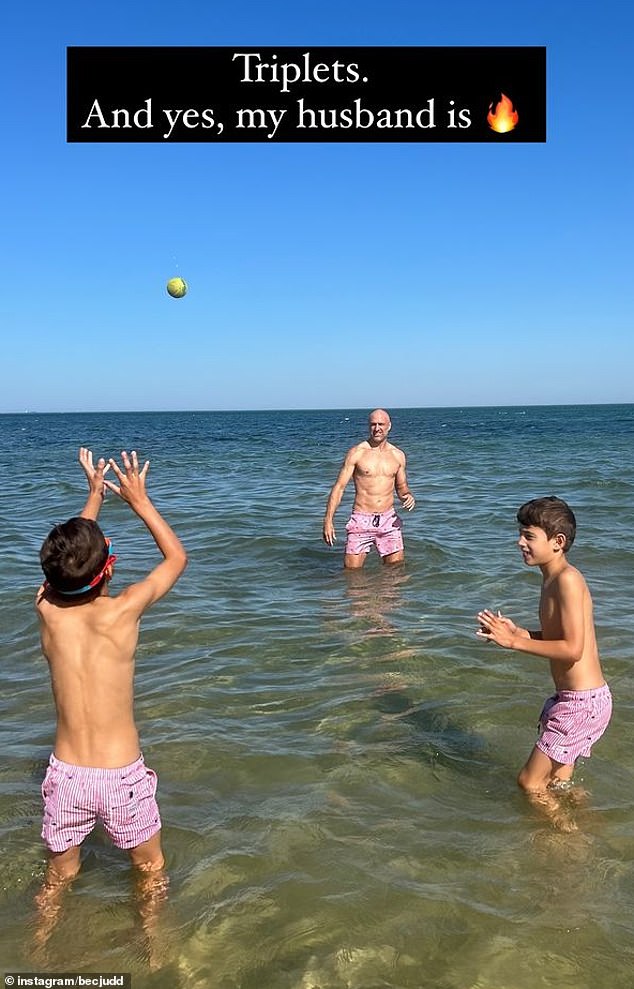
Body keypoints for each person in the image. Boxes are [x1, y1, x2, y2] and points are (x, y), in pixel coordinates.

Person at [34, 447, 187, 945]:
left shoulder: (47, 611)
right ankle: (153, 942)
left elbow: (61, 571)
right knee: (149, 869)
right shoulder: (124, 613)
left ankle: (39, 940)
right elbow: (176, 558)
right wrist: (139, 501)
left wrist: (92, 497)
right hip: (121, 775)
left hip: (68, 773)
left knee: (59, 876)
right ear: (111, 568)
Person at [477, 496, 612, 829]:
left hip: (581, 705)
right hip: (578, 701)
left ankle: (569, 837)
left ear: (558, 542)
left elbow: (573, 649)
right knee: (558, 784)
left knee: (529, 782)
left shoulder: (567, 580)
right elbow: (559, 635)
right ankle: (588, 827)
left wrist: (516, 643)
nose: (519, 542)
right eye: (521, 534)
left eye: (529, 536)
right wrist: (521, 632)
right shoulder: (551, 578)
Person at [323, 409, 415, 568]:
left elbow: (402, 488)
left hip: (389, 521)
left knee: (395, 573)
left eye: (381, 424)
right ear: (368, 426)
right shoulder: (357, 453)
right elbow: (339, 487)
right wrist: (328, 520)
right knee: (352, 574)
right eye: (373, 424)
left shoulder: (397, 455)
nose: (377, 428)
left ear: (389, 426)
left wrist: (408, 496)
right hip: (361, 519)